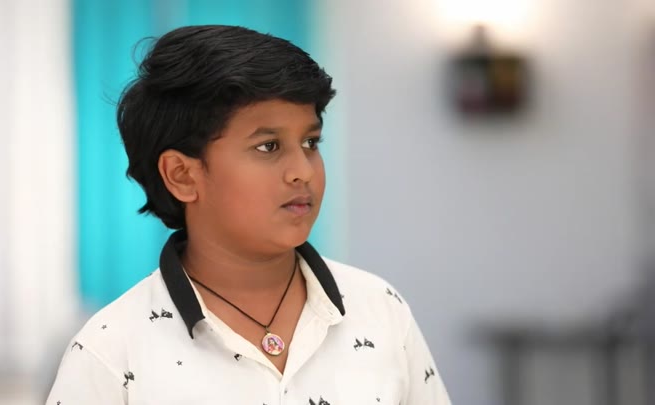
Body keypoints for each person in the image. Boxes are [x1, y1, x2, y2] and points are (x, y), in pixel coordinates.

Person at [47, 25, 451, 404]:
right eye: (268, 147)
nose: (303, 171)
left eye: (311, 142)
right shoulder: (110, 351)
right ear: (182, 175)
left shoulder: (380, 308)